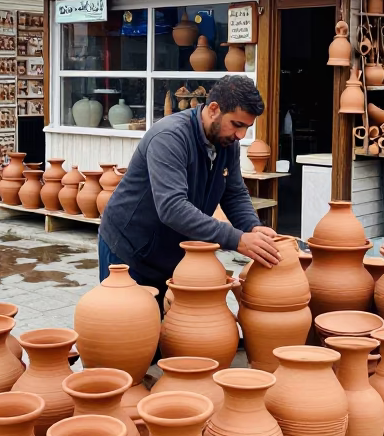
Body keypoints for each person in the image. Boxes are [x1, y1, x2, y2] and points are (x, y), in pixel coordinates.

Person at [99, 75, 281, 292]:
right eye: (237, 124)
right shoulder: (170, 137)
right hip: (130, 250)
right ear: (214, 109)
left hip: (172, 252)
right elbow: (172, 208)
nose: (241, 135)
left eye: (247, 128)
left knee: (171, 323)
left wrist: (253, 227)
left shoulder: (225, 142)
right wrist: (237, 239)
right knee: (131, 323)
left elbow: (234, 193)